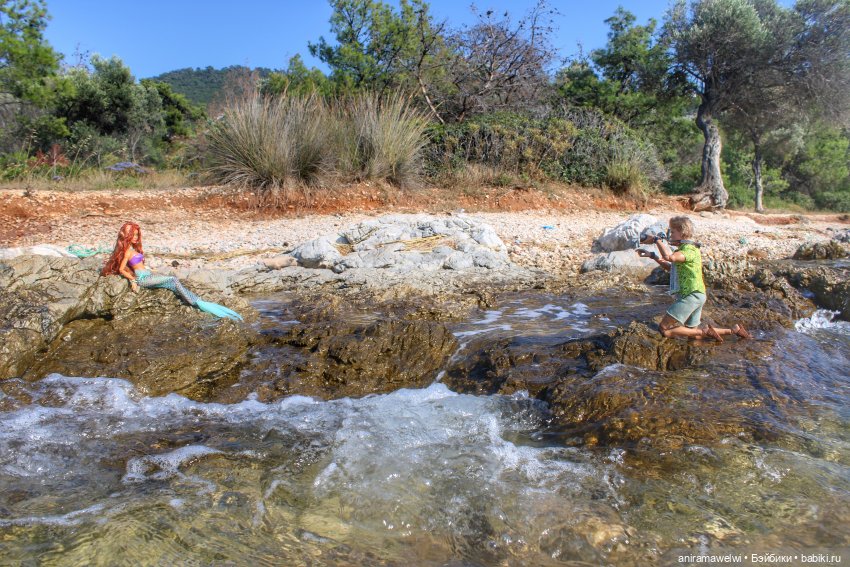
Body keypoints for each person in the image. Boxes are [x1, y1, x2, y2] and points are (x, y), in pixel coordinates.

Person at [636, 216, 750, 342]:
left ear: (682, 232)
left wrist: (657, 240)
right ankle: (734, 330)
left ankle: (706, 331)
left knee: (664, 329)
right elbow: (671, 267)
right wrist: (653, 256)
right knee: (693, 335)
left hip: (691, 295)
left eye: (673, 232)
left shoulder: (689, 250)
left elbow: (670, 257)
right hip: (697, 295)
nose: (670, 235)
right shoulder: (685, 250)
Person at [101, 221, 242, 321]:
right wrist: (132, 280)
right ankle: (194, 302)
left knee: (172, 282)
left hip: (147, 274)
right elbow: (120, 269)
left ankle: (193, 299)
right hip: (142, 279)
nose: (136, 237)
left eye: (137, 235)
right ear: (127, 236)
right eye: (133, 235)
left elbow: (137, 265)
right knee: (172, 280)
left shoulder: (133, 250)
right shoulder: (127, 252)